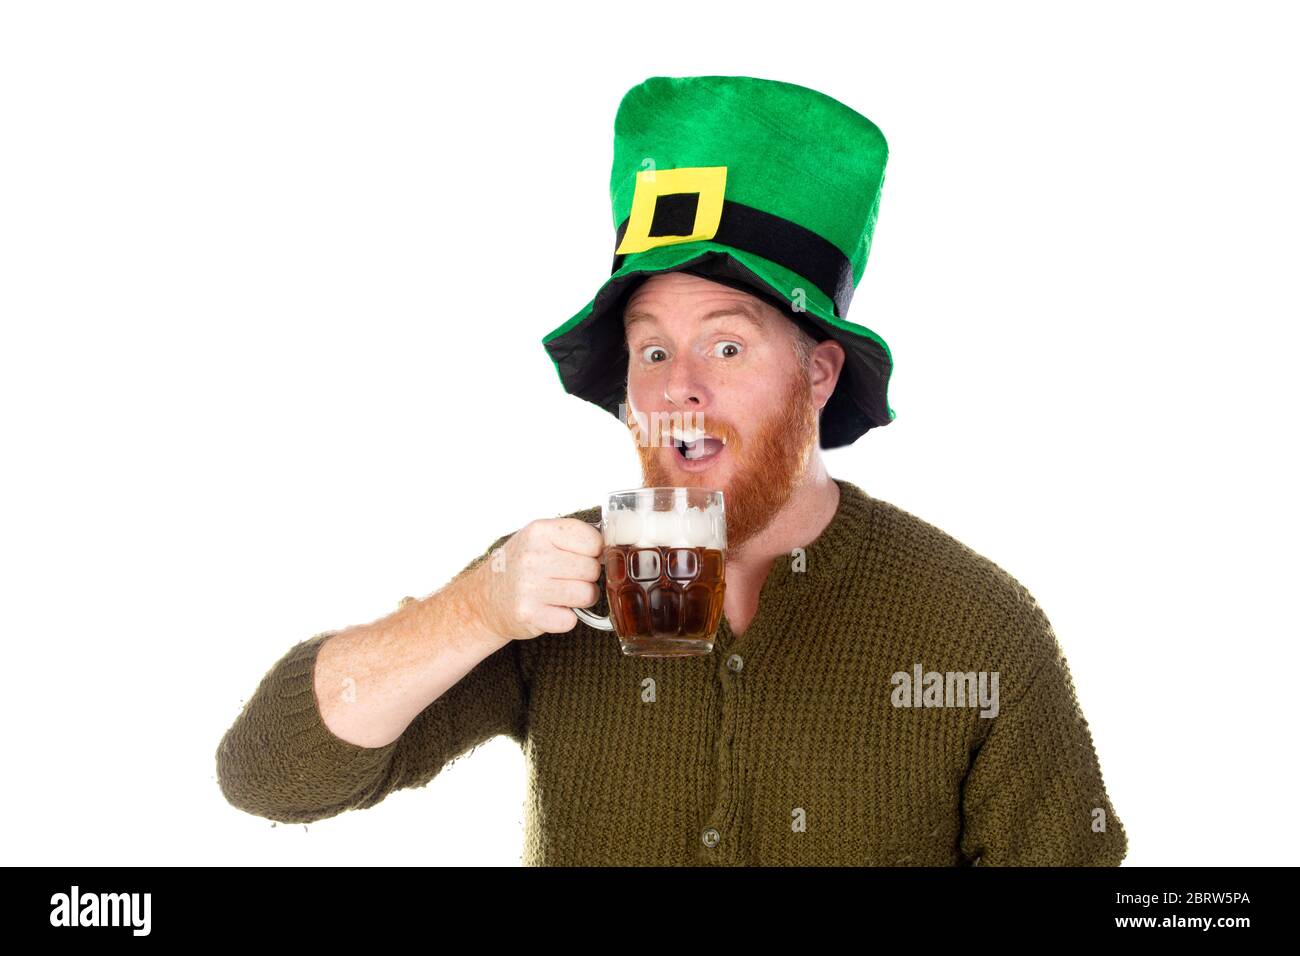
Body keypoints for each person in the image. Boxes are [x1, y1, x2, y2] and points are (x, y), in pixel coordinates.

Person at [216, 75, 1127, 866]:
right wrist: (473, 609)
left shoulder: (976, 626)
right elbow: (267, 774)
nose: (679, 388)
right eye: (651, 353)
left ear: (819, 373)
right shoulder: (550, 584)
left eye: (725, 345)